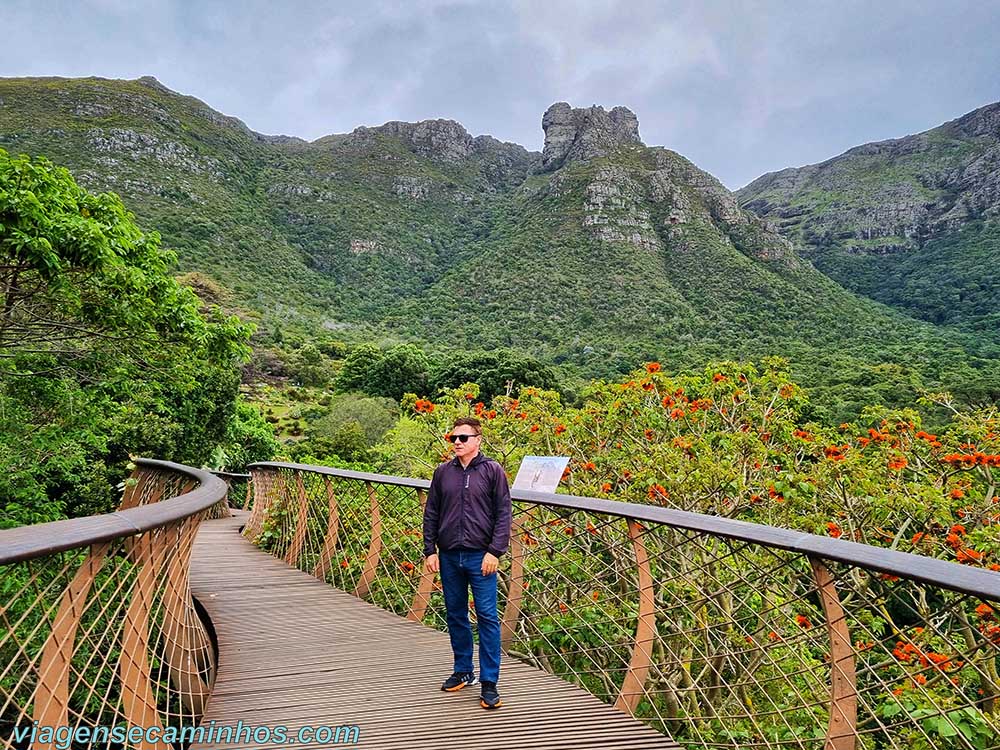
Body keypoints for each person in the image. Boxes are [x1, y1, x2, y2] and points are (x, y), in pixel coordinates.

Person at [423, 416, 512, 710]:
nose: (457, 443)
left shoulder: (492, 471)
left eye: (463, 437)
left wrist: (494, 551)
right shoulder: (442, 473)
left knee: (487, 616)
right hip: (448, 555)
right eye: (454, 438)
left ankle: (489, 683)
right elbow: (432, 512)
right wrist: (430, 550)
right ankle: (463, 670)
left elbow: (503, 513)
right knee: (455, 614)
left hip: (480, 556)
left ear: (478, 440)